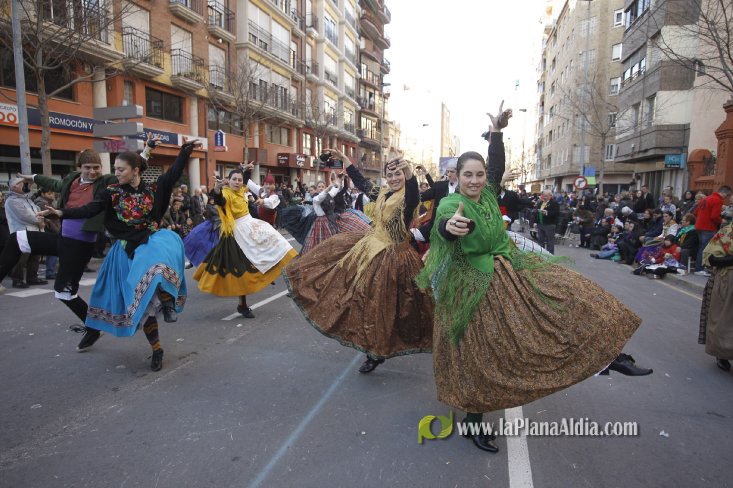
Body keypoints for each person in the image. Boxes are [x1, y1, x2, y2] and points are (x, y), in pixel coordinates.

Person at [417, 103, 642, 453]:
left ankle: (607, 354)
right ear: (456, 178)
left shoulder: (488, 192)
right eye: (468, 175)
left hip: (508, 266)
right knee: (481, 354)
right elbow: (446, 225)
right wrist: (451, 228)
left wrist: (496, 134)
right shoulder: (451, 204)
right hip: (472, 285)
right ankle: (473, 423)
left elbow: (497, 167)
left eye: (479, 175)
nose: (475, 180)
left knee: (569, 291)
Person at [41, 140, 197, 371]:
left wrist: (185, 151)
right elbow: (89, 209)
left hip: (150, 241)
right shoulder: (111, 192)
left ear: (135, 170)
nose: (116, 173)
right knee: (144, 309)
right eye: (115, 169)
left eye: (121, 169)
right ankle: (157, 349)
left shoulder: (154, 188)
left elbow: (173, 173)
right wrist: (61, 212)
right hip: (126, 248)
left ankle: (167, 300)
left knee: (159, 254)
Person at [284, 150, 433, 374]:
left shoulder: (409, 197)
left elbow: (412, 193)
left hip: (395, 257)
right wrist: (346, 161)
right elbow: (363, 183)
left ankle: (381, 347)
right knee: (361, 297)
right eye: (390, 174)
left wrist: (410, 174)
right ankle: (373, 350)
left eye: (399, 174)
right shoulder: (382, 193)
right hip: (369, 249)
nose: (394, 178)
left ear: (405, 175)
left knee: (394, 306)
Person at [193, 165, 297, 318]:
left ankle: (285, 278)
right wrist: (217, 189)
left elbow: (246, 180)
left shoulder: (242, 190)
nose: (237, 182)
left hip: (252, 227)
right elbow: (220, 200)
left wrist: (246, 170)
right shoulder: (226, 193)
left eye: (239, 180)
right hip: (237, 235)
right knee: (242, 273)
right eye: (234, 179)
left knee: (279, 245)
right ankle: (242, 305)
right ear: (228, 181)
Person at [698, 209, 733, 371]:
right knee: (723, 320)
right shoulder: (726, 233)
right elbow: (712, 258)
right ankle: (722, 353)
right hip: (727, 280)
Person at [3, 177, 46, 288]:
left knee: (35, 256)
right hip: (22, 233)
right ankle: (17, 279)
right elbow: (24, 216)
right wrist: (39, 221)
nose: (27, 185)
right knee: (22, 257)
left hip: (34, 231)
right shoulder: (12, 200)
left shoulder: (27, 199)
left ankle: (32, 278)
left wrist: (40, 220)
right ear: (14, 187)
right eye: (23, 183)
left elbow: (37, 212)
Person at [411, 157, 459, 244]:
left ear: (460, 172)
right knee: (406, 237)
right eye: (448, 171)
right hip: (433, 230)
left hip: (458, 235)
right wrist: (409, 182)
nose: (449, 174)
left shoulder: (466, 190)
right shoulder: (439, 186)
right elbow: (421, 197)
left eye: (452, 172)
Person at [694, 185, 731, 275]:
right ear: (724, 193)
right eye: (728, 195)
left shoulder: (706, 198)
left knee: (701, 247)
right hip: (708, 227)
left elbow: (696, 212)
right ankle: (699, 269)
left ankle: (699, 267)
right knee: (705, 248)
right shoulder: (718, 200)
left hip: (699, 226)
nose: (727, 198)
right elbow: (714, 216)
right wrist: (722, 220)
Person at [536, 190, 560, 254]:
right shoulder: (540, 202)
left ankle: (550, 256)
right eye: (543, 195)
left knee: (550, 242)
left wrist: (547, 213)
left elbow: (556, 213)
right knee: (540, 240)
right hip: (540, 223)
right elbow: (537, 212)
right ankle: (541, 254)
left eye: (546, 196)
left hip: (549, 224)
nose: (544, 197)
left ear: (550, 196)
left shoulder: (554, 203)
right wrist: (535, 222)